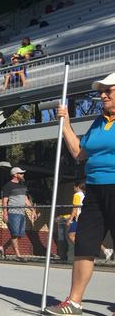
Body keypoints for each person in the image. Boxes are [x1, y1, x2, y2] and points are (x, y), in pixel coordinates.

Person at [46, 73, 115, 315]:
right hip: (95, 189)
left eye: (109, 90)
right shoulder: (98, 121)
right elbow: (79, 153)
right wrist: (65, 124)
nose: (103, 95)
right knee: (85, 244)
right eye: (101, 91)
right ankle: (74, 303)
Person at [0, 167, 38, 261]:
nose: (23, 175)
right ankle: (18, 255)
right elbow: (4, 201)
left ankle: (3, 248)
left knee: (19, 234)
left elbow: (25, 199)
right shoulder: (8, 186)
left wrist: (32, 210)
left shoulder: (23, 185)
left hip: (22, 213)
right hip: (12, 213)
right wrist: (5, 213)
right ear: (15, 174)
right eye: (21, 173)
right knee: (14, 234)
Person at [66, 181, 113, 261]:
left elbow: (75, 208)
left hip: (78, 218)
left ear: (77, 187)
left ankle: (88, 255)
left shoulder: (76, 195)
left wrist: (70, 219)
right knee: (88, 238)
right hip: (83, 218)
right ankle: (105, 251)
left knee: (71, 236)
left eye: (74, 187)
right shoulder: (83, 195)